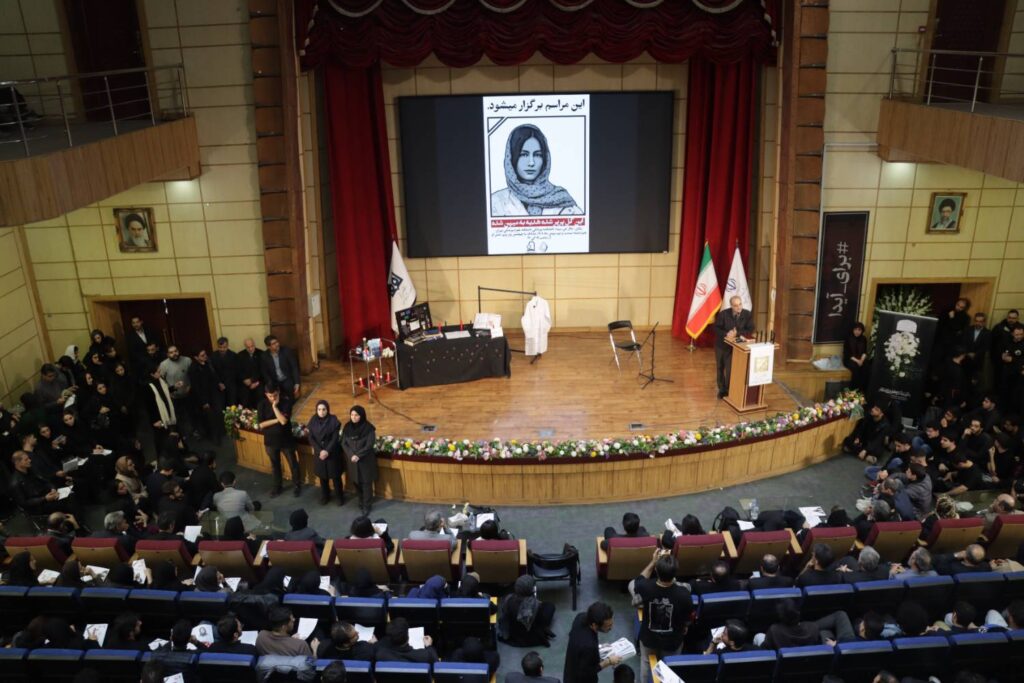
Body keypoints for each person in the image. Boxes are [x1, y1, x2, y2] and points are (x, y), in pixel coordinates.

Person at [490, 124, 582, 217]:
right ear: (511, 158)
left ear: (545, 159)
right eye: (524, 154)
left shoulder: (562, 200)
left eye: (537, 155)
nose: (531, 163)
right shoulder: (495, 203)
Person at [632, 551, 692, 683]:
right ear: (675, 574)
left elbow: (638, 580)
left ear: (656, 571)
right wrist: (685, 626)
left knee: (646, 663)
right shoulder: (684, 594)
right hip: (673, 641)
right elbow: (687, 618)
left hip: (649, 638)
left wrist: (653, 561)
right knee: (670, 669)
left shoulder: (645, 587)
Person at [257, 382, 301, 498]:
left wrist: (274, 407)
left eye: (275, 395)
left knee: (293, 463)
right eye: (270, 396)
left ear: (279, 392)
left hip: (286, 439)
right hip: (270, 441)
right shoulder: (262, 404)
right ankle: (277, 487)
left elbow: (283, 421)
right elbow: (261, 424)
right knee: (275, 465)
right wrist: (276, 420)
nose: (273, 398)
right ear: (266, 394)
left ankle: (297, 485)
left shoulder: (286, 402)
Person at [564, 601, 619, 683]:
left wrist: (599, 647)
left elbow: (579, 640)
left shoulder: (580, 617)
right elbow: (588, 672)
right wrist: (608, 661)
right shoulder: (589, 647)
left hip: (570, 669)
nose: (611, 628)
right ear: (594, 625)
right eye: (608, 626)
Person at [713, 295, 755, 399]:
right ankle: (722, 390)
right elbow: (716, 328)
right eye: (736, 305)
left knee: (730, 368)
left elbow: (750, 329)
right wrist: (726, 334)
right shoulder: (723, 314)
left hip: (736, 347)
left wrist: (737, 333)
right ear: (731, 306)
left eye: (740, 304)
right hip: (721, 345)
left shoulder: (747, 314)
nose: (739, 307)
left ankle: (729, 389)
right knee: (720, 367)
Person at [499, 575, 556, 647]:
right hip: (531, 637)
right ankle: (544, 629)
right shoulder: (534, 605)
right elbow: (537, 621)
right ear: (530, 590)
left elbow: (504, 617)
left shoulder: (508, 599)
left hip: (514, 634)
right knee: (550, 606)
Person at [307, 400, 344, 505]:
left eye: (324, 409)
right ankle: (325, 496)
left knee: (336, 477)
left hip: (332, 453)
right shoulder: (313, 420)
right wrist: (320, 451)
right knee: (323, 477)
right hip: (319, 454)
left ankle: (339, 497)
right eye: (319, 409)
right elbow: (311, 438)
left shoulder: (333, 420)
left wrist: (327, 451)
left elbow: (335, 438)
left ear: (328, 410)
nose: (321, 412)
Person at [342, 405, 377, 514]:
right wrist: (351, 455)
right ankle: (361, 500)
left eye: (356, 415)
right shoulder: (347, 427)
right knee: (356, 482)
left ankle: (367, 505)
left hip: (365, 461)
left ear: (361, 416)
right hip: (352, 461)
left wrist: (358, 455)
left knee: (366, 483)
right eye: (352, 415)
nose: (354, 417)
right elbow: (344, 443)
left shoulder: (369, 428)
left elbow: (369, 444)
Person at [158, 345, 194, 434]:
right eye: (171, 352)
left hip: (188, 394)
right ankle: (182, 435)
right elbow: (161, 381)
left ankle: (193, 432)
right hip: (174, 397)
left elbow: (194, 375)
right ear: (167, 354)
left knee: (191, 415)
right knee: (178, 417)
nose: (174, 354)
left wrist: (190, 386)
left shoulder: (187, 360)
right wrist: (169, 391)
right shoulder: (163, 365)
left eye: (175, 351)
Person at [260, 335, 301, 399]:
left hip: (286, 378)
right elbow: (264, 372)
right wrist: (269, 382)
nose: (277, 344)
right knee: (269, 392)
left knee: (291, 394)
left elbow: (294, 367)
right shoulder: (264, 356)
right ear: (268, 347)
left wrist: (297, 382)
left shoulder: (286, 351)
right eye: (274, 344)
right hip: (274, 381)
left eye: (277, 342)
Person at [211, 337, 240, 407]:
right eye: (220, 347)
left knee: (232, 404)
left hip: (231, 384)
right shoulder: (213, 356)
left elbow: (235, 372)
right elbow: (213, 371)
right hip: (218, 385)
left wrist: (226, 384)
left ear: (227, 346)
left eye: (224, 347)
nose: (222, 349)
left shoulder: (233, 355)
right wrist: (219, 383)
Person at [238, 338, 264, 408]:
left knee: (260, 394)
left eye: (252, 346)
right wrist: (244, 380)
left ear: (254, 345)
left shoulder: (261, 354)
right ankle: (246, 413)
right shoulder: (240, 355)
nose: (250, 349)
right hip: (245, 382)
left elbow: (262, 370)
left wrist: (253, 381)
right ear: (245, 347)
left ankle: (260, 412)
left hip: (258, 381)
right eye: (248, 347)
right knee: (243, 396)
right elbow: (239, 370)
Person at [843, 322, 869, 391]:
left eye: (859, 330)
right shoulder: (848, 338)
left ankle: (862, 390)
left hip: (860, 359)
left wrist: (861, 360)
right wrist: (858, 361)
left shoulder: (864, 339)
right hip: (850, 359)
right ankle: (853, 390)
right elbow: (847, 354)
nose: (857, 332)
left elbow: (864, 352)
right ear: (853, 329)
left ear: (862, 331)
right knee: (856, 368)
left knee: (866, 367)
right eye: (855, 329)